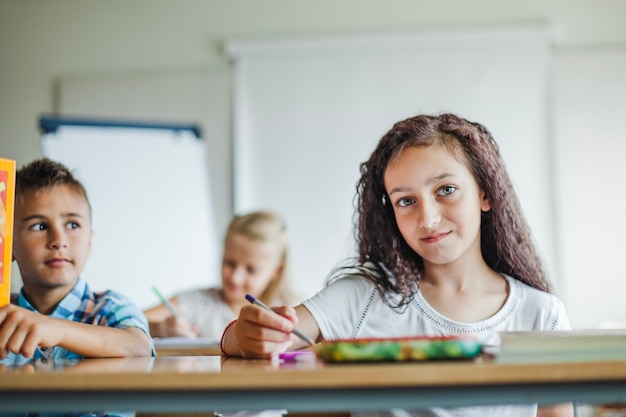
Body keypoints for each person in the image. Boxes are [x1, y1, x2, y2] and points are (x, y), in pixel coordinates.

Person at [220, 113, 573, 417]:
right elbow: (254, 341)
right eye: (406, 201)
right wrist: (244, 334)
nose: (428, 219)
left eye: (446, 190)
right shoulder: (361, 298)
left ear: (485, 193)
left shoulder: (541, 314)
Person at [0, 157, 154, 362]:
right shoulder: (4, 316)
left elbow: (139, 347)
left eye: (72, 225)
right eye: (39, 226)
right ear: (8, 245)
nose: (59, 241)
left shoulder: (111, 307)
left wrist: (55, 329)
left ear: (90, 240)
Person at [144, 210, 298, 340]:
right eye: (230, 263)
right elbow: (129, 320)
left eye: (251, 270)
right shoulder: (198, 303)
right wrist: (160, 329)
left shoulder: (294, 310)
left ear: (277, 270)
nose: (235, 277)